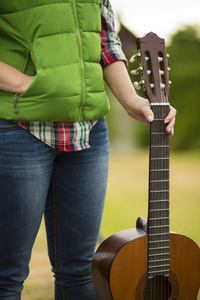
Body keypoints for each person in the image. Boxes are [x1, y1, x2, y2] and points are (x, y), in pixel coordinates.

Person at [0, 0, 176, 299]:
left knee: (82, 270)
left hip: (89, 133)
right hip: (20, 129)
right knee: (7, 274)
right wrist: (25, 82)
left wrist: (132, 100)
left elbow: (106, 42)